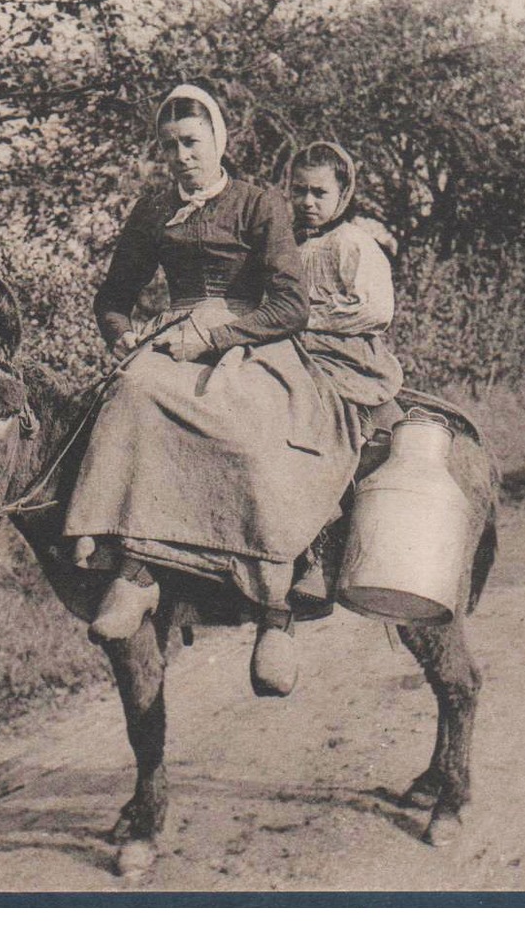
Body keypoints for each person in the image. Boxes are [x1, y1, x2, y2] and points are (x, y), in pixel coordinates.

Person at [63, 86, 360, 697]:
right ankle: (136, 569)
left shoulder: (259, 204)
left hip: (252, 338)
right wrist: (120, 335)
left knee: (250, 433)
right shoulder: (152, 210)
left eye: (191, 143)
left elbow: (291, 305)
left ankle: (276, 603)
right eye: (169, 146)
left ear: (219, 141)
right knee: (130, 395)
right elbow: (113, 298)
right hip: (176, 334)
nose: (181, 157)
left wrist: (218, 338)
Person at [284, 141, 406, 607]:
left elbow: (375, 310)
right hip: (292, 349)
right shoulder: (290, 244)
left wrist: (307, 318)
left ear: (343, 194)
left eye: (319, 193)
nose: (308, 203)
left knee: (323, 420)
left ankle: (323, 546)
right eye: (299, 191)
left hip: (344, 355)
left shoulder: (353, 243)